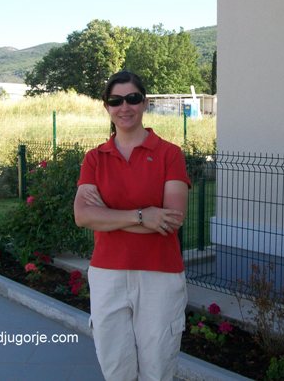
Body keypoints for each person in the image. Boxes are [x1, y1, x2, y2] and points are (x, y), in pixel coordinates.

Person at [74, 70, 190, 381]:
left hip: (160, 274)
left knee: (158, 368)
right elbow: (83, 216)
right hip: (107, 274)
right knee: (115, 369)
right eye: (115, 101)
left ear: (144, 103)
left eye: (132, 98)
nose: (124, 107)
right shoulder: (95, 159)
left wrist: (107, 216)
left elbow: (172, 220)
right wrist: (142, 216)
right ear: (107, 107)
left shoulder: (169, 154)